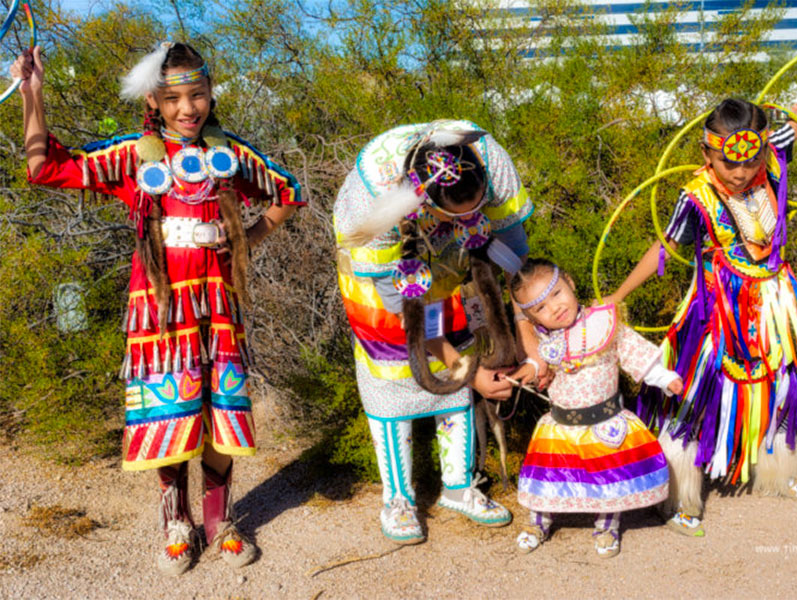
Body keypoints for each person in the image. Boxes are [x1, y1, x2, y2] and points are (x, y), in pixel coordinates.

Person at [13, 42, 304, 574]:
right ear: (154, 99)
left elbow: (289, 191)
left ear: (212, 94)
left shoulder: (228, 155)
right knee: (170, 413)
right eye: (174, 99)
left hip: (219, 302)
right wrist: (32, 93)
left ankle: (220, 520)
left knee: (220, 411)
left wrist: (246, 239)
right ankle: (177, 521)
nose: (187, 109)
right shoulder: (133, 155)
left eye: (197, 95)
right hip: (160, 307)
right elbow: (44, 167)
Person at [605, 27, 797, 537]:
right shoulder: (696, 197)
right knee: (697, 391)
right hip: (716, 311)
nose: (741, 173)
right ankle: (682, 492)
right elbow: (664, 248)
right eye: (729, 164)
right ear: (708, 155)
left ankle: (781, 470)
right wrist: (616, 297)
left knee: (779, 385)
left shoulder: (773, 159)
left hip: (775, 303)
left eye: (750, 162)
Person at [333, 120, 544, 544]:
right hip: (384, 278)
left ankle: (459, 486)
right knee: (394, 377)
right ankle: (399, 497)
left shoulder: (490, 162)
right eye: (457, 211)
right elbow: (406, 312)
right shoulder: (375, 203)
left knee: (460, 340)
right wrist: (469, 373)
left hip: (445, 260)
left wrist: (530, 346)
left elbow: (515, 258)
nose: (470, 217)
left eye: (476, 209)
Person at [510, 258, 682, 557]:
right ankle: (539, 522)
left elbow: (633, 353)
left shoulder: (604, 323)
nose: (554, 307)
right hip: (561, 427)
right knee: (549, 481)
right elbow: (533, 362)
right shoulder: (541, 339)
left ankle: (606, 527)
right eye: (540, 308)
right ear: (530, 316)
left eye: (557, 293)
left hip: (606, 422)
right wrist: (528, 368)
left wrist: (664, 378)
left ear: (570, 283)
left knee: (609, 481)